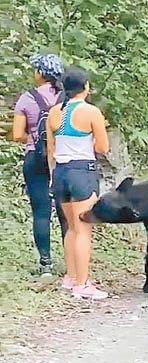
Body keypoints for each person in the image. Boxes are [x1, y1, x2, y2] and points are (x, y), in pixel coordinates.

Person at [47, 67, 109, 300]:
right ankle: (82, 285)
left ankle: (71, 277)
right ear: (85, 87)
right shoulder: (91, 112)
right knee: (83, 229)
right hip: (82, 172)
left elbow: (51, 149)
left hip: (60, 173)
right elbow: (103, 148)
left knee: (71, 227)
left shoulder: (54, 112)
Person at [13, 53, 67, 275]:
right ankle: (73, 264)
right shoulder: (68, 97)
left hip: (35, 157)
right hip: (64, 158)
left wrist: (33, 134)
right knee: (66, 212)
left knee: (41, 211)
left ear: (40, 73)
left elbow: (17, 135)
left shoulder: (27, 98)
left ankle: (46, 264)